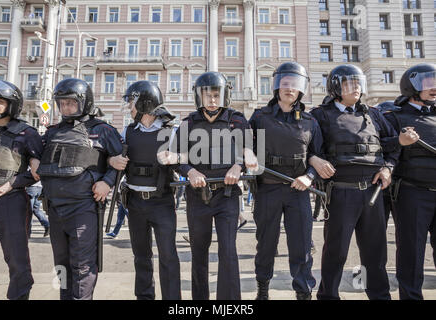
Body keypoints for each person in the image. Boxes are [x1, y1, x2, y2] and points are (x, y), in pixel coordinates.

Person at [159, 71, 258, 300]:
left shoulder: (238, 120)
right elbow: (177, 157)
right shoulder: (188, 123)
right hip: (198, 196)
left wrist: (239, 166)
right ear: (199, 97)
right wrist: (190, 171)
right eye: (207, 95)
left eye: (217, 95)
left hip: (227, 194)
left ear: (225, 96)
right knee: (199, 252)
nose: (212, 100)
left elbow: (250, 152)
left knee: (228, 251)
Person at [309, 64, 400, 300]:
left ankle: (378, 295)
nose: (357, 87)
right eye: (351, 83)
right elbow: (305, 146)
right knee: (335, 253)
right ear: (336, 87)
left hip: (372, 192)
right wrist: (314, 159)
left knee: (374, 254)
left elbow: (394, 144)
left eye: (359, 82)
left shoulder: (373, 113)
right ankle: (328, 296)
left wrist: (388, 168)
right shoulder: (319, 115)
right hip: (340, 193)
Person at [35, 78, 123, 300]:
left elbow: (121, 160)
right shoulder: (53, 132)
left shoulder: (102, 130)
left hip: (83, 208)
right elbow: (37, 158)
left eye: (71, 103)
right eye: (62, 103)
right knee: (61, 266)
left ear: (84, 102)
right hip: (54, 209)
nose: (65, 107)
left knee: (82, 266)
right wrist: (33, 160)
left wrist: (108, 182)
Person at [249, 62, 326, 300]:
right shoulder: (260, 117)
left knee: (302, 248)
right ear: (276, 86)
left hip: (298, 191)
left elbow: (318, 156)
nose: (289, 88)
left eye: (294, 84)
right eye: (285, 83)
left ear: (301, 88)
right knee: (266, 246)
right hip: (267, 190)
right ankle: (263, 289)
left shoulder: (310, 121)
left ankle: (303, 293)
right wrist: (248, 156)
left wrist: (309, 176)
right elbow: (244, 146)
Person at [108, 80, 181, 300]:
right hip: (135, 202)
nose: (129, 107)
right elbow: (110, 156)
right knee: (141, 256)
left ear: (146, 103)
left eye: (132, 101)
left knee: (168, 256)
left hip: (162, 202)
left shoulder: (172, 132)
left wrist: (177, 157)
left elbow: (188, 161)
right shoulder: (128, 131)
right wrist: (113, 160)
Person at [381, 63, 436, 300]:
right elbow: (379, 148)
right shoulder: (394, 117)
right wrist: (399, 142)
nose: (434, 87)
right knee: (412, 254)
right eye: (428, 82)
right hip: (413, 193)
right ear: (412, 85)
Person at [0, 80, 43, 300]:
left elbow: (40, 170)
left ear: (11, 104)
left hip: (10, 202)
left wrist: (11, 184)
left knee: (18, 261)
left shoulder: (27, 133)